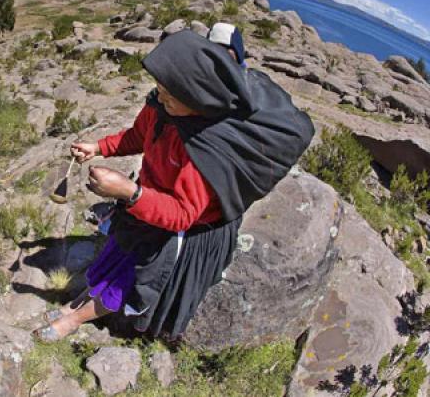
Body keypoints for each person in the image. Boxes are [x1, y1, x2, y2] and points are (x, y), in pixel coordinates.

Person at [33, 30, 313, 342]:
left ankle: (73, 321)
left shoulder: (204, 149)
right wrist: (99, 147)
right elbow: (138, 136)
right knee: (112, 255)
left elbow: (182, 213)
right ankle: (77, 303)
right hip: (143, 207)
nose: (160, 97)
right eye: (159, 88)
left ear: (197, 98)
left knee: (126, 279)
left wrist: (128, 192)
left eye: (169, 94)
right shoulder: (161, 106)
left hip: (170, 227)